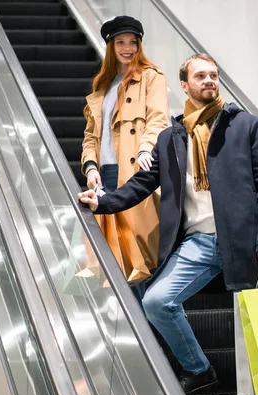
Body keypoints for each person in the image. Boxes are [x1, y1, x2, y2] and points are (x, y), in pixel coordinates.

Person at [78, 53, 258, 394]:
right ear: (184, 85)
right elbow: (143, 184)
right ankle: (199, 369)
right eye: (200, 76)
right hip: (198, 243)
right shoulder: (171, 137)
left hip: (244, 242)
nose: (209, 81)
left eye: (213, 75)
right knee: (156, 301)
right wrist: (103, 201)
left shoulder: (245, 126)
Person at [80, 16, 169, 299]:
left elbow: (158, 119)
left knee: (137, 260)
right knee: (111, 263)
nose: (128, 48)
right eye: (121, 42)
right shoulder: (101, 88)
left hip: (135, 174)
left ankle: (149, 336)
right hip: (105, 176)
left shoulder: (151, 77)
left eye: (133, 41)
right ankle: (135, 333)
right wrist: (91, 165)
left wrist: (146, 149)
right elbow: (91, 136)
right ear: (110, 46)